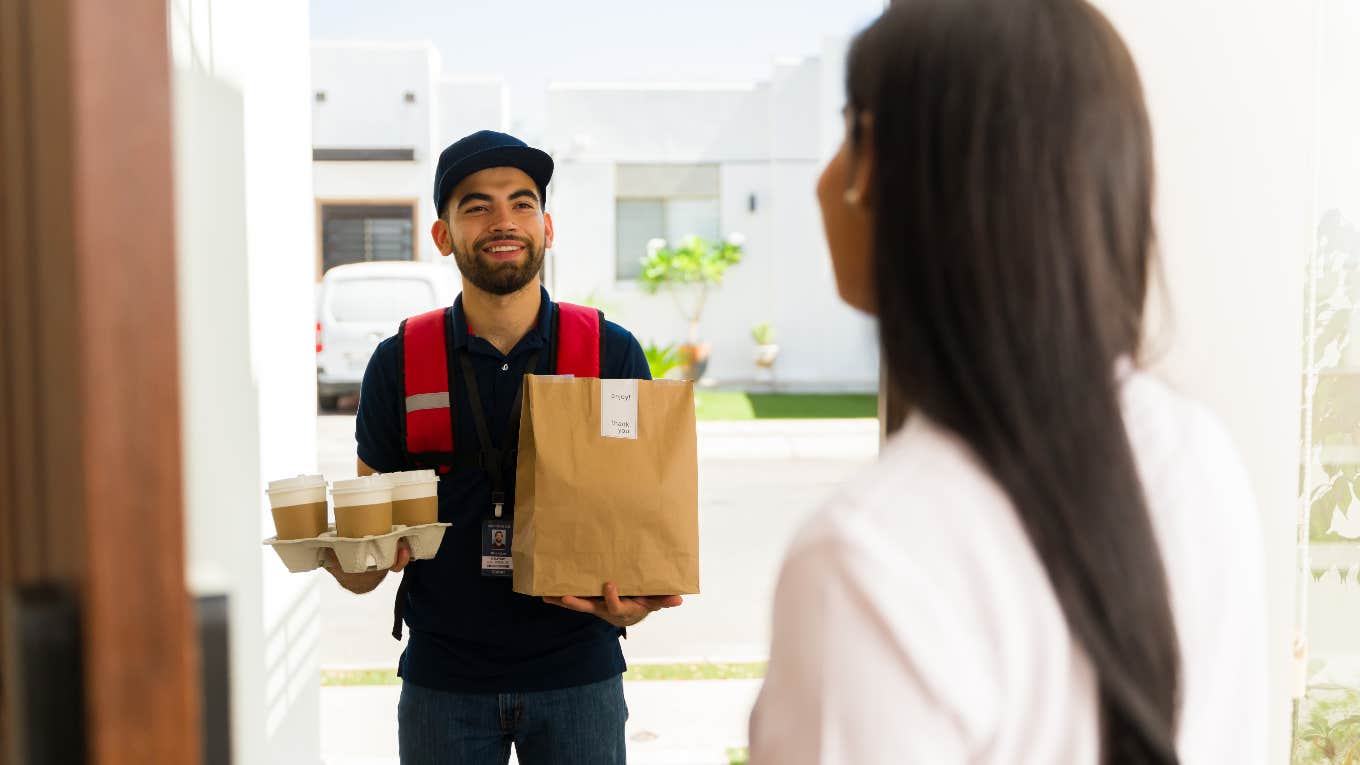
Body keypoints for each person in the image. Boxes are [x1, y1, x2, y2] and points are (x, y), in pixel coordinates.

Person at [748, 2, 1268, 763]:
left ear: (901, 177)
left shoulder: (870, 556)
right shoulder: (1199, 453)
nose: (826, 180)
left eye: (849, 127)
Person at [323, 130, 683, 765]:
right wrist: (348, 561)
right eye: (476, 206)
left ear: (547, 226)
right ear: (443, 236)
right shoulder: (399, 363)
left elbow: (638, 525)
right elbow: (371, 560)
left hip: (579, 674)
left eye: (521, 203)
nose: (502, 221)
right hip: (444, 682)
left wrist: (635, 605)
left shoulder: (609, 352)